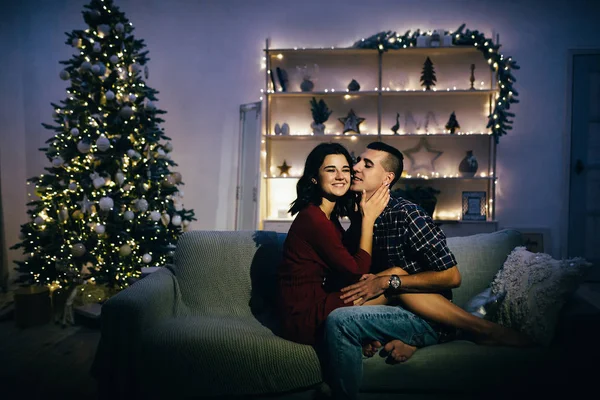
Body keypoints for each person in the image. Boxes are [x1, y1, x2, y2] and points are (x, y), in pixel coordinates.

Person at [322, 141, 531, 400]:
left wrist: (389, 282)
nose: (355, 168)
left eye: (367, 164)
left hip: (425, 309)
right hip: (387, 308)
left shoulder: (407, 214)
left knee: (382, 284)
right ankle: (412, 339)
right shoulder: (358, 217)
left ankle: (479, 330)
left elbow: (452, 277)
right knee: (346, 304)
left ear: (387, 178)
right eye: (357, 161)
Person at [276, 142, 390, 346]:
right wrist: (368, 219)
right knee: (393, 289)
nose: (340, 176)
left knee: (390, 280)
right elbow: (356, 269)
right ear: (314, 177)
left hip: (317, 301)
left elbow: (345, 262)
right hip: (302, 316)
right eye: (331, 170)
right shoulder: (313, 219)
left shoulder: (328, 217)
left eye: (345, 170)